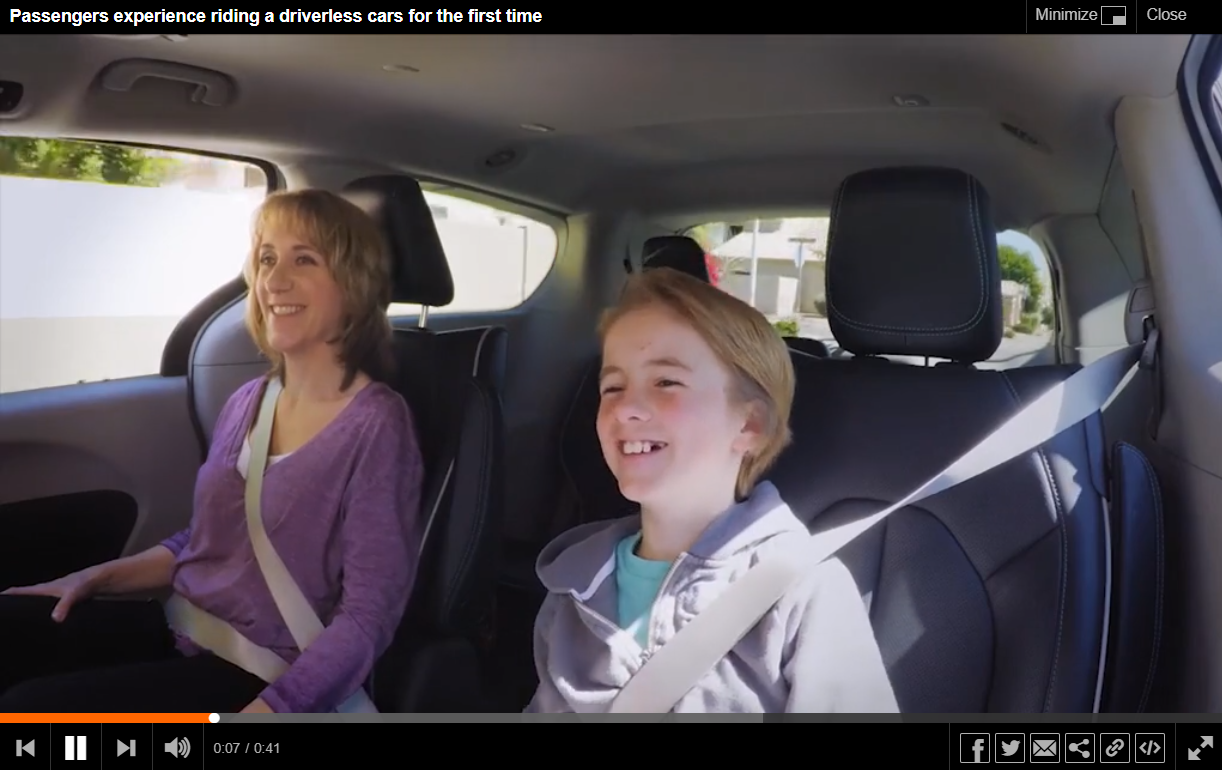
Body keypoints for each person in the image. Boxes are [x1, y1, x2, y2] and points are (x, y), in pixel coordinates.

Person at [0, 189, 424, 714]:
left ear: (353, 282)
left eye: (304, 260)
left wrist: (274, 708)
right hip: (181, 624)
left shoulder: (377, 424)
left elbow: (368, 614)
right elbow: (203, 542)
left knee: (29, 709)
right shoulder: (250, 399)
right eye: (266, 259)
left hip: (263, 673)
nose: (274, 281)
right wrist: (93, 578)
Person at [526, 267, 899, 713]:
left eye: (666, 382)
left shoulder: (802, 588)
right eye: (613, 387)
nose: (625, 408)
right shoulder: (571, 587)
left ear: (749, 424)